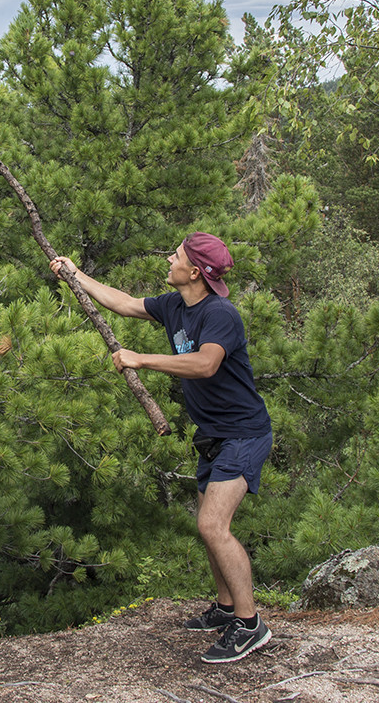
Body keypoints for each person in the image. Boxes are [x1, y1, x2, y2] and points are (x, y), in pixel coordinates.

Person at [50, 232, 273, 664]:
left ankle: (250, 626)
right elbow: (127, 303)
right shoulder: (175, 306)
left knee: (213, 526)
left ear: (194, 272)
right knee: (207, 527)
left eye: (176, 255)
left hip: (244, 434)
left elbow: (206, 364)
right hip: (214, 437)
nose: (168, 258)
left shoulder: (219, 314)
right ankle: (226, 610)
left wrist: (141, 358)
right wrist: (77, 274)